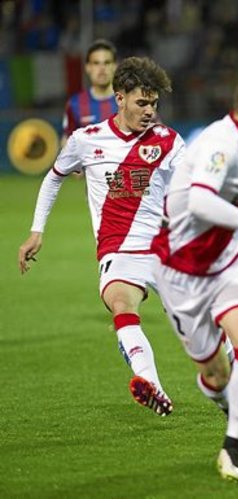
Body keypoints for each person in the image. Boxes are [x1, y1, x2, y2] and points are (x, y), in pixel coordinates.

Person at [151, 67, 238, 481]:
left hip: (225, 262)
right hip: (179, 270)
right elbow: (200, 202)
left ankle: (232, 450)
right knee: (215, 375)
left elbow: (227, 205)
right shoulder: (221, 144)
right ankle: (229, 405)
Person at [19, 56, 183, 416]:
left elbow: (191, 192)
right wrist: (36, 230)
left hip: (164, 248)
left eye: (154, 103)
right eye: (142, 102)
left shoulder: (168, 141)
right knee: (122, 306)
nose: (149, 111)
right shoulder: (86, 140)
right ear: (119, 98)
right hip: (118, 251)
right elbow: (53, 178)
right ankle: (151, 385)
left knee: (199, 325)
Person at [62, 39, 119, 146]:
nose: (102, 68)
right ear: (88, 67)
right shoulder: (74, 104)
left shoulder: (128, 101)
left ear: (115, 66)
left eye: (107, 63)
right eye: (96, 63)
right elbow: (67, 142)